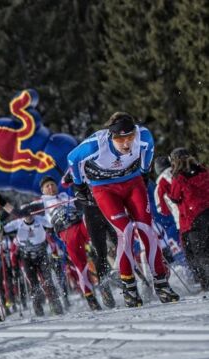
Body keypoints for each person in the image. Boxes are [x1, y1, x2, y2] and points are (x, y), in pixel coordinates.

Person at [67, 112, 178, 306]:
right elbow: (72, 159)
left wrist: (144, 172)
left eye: (130, 138)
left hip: (132, 182)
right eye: (120, 139)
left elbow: (148, 150)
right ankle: (129, 287)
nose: (126, 144)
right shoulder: (96, 144)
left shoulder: (143, 136)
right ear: (111, 136)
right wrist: (79, 185)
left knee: (146, 229)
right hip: (104, 188)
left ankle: (161, 283)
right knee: (125, 231)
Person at [36, 177, 107, 309]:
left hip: (81, 226)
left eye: (52, 184)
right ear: (43, 190)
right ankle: (90, 296)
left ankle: (105, 282)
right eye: (47, 186)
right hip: (67, 233)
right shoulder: (42, 203)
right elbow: (22, 212)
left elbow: (79, 194)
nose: (51, 188)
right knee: (80, 266)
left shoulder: (64, 195)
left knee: (92, 216)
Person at [1, 206, 64, 316]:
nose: (28, 216)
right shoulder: (17, 223)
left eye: (30, 214)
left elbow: (51, 223)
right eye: (25, 214)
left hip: (41, 254)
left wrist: (52, 216)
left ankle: (56, 305)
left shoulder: (40, 219)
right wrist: (0, 224)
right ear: (22, 215)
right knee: (33, 283)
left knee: (47, 280)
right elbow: (2, 231)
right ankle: (38, 308)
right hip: (26, 257)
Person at [167, 148, 209, 291]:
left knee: (197, 254)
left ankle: (206, 284)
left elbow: (174, 197)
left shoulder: (179, 177)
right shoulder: (203, 170)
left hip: (192, 220)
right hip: (206, 212)